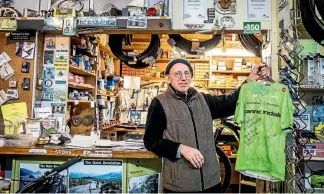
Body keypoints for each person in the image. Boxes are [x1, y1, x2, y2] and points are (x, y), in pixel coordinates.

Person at [143, 58, 266, 193]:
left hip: (211, 181)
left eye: (187, 73)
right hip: (180, 184)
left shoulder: (203, 100)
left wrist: (249, 81)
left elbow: (230, 103)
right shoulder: (160, 103)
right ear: (168, 78)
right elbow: (151, 140)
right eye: (177, 74)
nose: (183, 78)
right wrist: (180, 149)